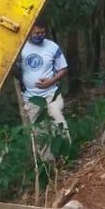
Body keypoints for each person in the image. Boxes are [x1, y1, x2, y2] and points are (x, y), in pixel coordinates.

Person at [18, 21, 70, 160]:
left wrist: (52, 81)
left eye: (42, 33)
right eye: (37, 33)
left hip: (52, 93)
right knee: (39, 132)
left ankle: (66, 156)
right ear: (29, 32)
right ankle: (49, 165)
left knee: (58, 121)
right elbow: (14, 70)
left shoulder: (52, 46)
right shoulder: (20, 48)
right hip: (31, 97)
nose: (40, 35)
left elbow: (63, 68)